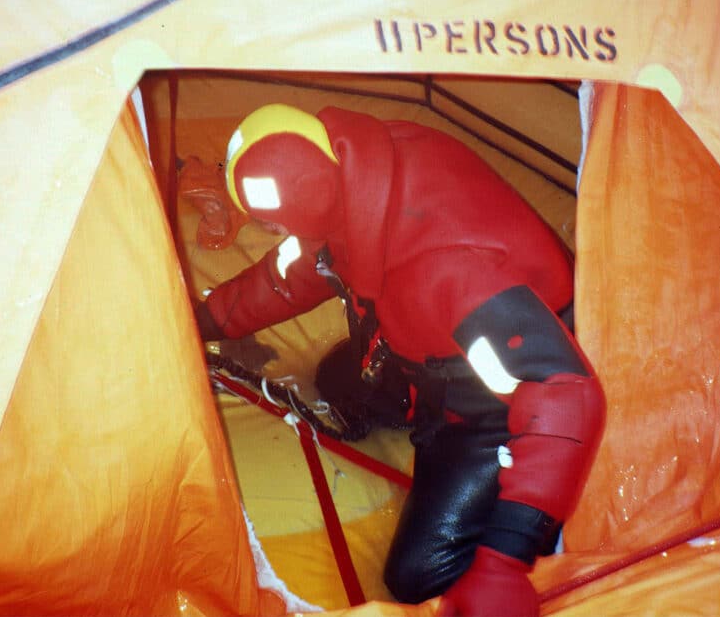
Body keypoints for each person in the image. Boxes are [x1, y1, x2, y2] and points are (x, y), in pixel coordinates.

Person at [194, 103, 605, 617]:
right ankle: (414, 401)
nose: (268, 231)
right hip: (419, 343)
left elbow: (562, 391)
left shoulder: (455, 272)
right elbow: (295, 270)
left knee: (420, 574)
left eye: (268, 222)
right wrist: (204, 321)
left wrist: (504, 560)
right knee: (337, 379)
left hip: (492, 395)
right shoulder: (355, 167)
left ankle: (537, 518)